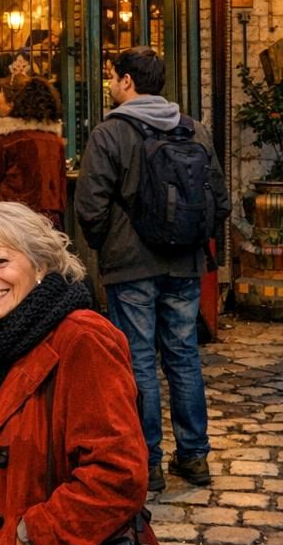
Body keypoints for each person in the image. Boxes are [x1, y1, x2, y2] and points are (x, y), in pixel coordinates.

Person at [0, 201, 200, 545]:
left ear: (41, 263)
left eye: (0, 261)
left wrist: (35, 539)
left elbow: (118, 474)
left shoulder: (80, 336)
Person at [74, 47, 229, 491]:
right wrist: (190, 241)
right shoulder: (194, 129)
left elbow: (90, 205)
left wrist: (108, 245)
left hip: (130, 265)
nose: (108, 84)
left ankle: (149, 461)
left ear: (127, 81)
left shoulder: (110, 133)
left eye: (111, 77)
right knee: (183, 355)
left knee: (138, 358)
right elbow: (218, 200)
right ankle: (195, 456)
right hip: (185, 264)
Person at [0, 74, 67, 228]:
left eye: (1, 92)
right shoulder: (53, 138)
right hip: (49, 223)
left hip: (11, 222)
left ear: (12, 103)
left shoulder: (1, 136)